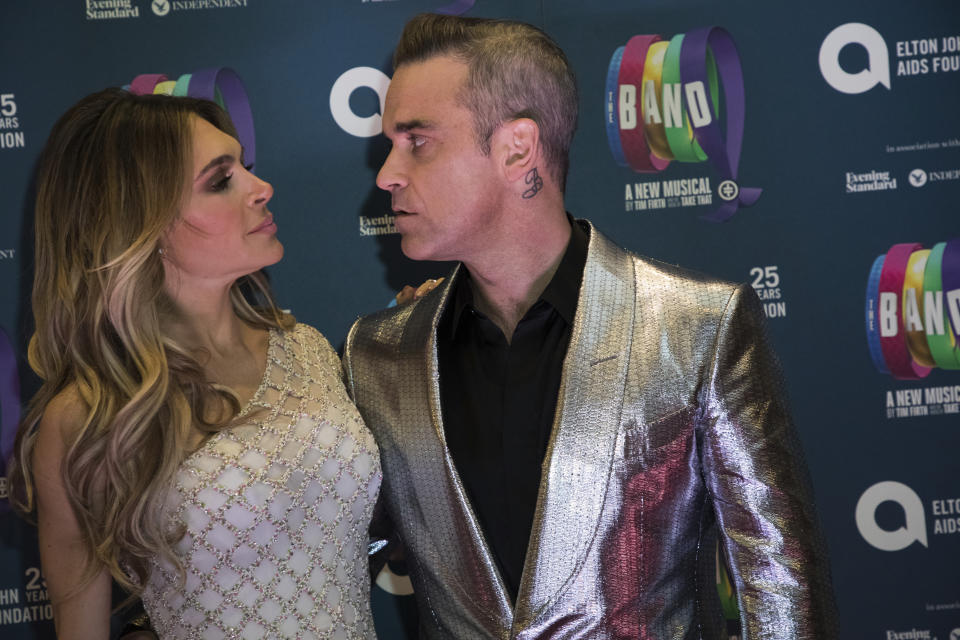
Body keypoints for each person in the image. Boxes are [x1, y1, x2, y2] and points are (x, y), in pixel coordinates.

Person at [344, 13, 838, 639]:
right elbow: (327, 558)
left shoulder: (697, 328)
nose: (386, 173)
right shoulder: (380, 355)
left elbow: (780, 589)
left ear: (517, 149)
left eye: (417, 141)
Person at [7, 88, 381, 639]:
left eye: (245, 168)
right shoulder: (86, 418)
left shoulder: (308, 349)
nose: (261, 188)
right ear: (143, 224)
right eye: (220, 180)